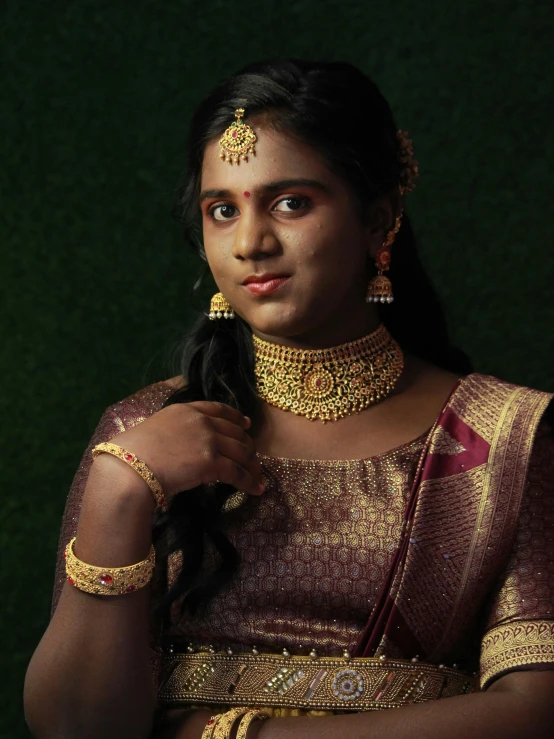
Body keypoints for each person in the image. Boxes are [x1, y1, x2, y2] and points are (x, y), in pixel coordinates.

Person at [24, 59, 554, 739]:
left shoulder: (504, 437)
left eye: (291, 203)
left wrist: (241, 734)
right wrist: (118, 494)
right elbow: (74, 728)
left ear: (380, 219)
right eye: (223, 210)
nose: (251, 243)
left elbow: (535, 709)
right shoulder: (142, 433)